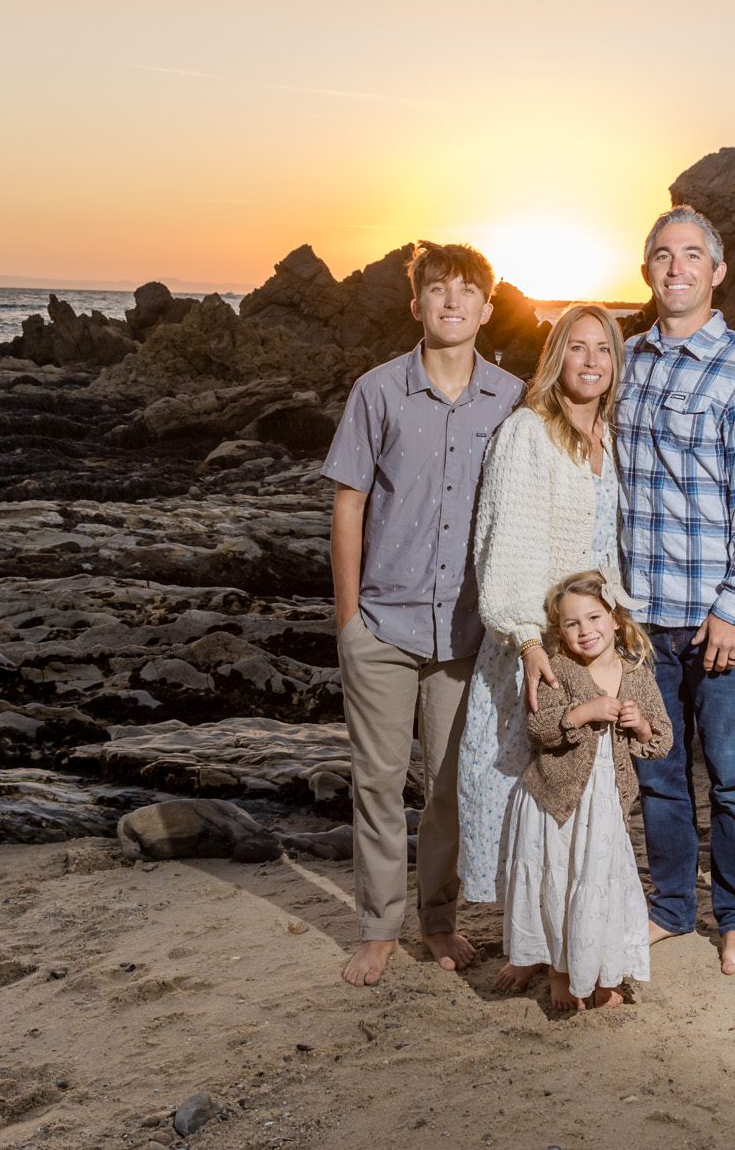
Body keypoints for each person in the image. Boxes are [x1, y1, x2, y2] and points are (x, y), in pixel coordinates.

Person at [322, 240, 523, 987]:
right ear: (418, 305)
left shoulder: (511, 398)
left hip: (466, 634)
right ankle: (376, 926)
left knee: (447, 787)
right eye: (439, 290)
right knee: (375, 779)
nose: (452, 303)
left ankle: (437, 920)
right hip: (381, 624)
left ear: (485, 308)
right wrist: (349, 618)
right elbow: (349, 504)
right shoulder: (376, 392)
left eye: (467, 292)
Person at [612, 205, 735, 976]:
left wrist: (734, 612)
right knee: (658, 773)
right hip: (642, 622)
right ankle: (673, 908)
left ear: (718, 272)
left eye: (692, 255)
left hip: (720, 624)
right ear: (645, 269)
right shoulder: (626, 361)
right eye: (661, 254)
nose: (675, 267)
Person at [461, 305, 628, 992]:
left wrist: (619, 635)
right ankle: (532, 946)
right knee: (528, 804)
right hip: (531, 649)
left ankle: (567, 948)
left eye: (604, 350)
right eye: (577, 347)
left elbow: (604, 548)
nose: (590, 361)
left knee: (580, 804)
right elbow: (503, 547)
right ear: (555, 355)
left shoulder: (606, 438)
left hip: (591, 646)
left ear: (616, 364)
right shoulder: (528, 433)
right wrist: (530, 643)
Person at [501, 570, 673, 1011]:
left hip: (605, 803)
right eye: (572, 623)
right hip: (555, 800)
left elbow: (662, 741)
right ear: (559, 631)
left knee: (599, 882)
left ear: (615, 620)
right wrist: (583, 713)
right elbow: (538, 729)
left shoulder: (637, 676)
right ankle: (560, 970)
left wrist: (641, 725)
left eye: (594, 617)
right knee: (558, 882)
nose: (585, 630)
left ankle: (602, 970)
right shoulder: (558, 669)